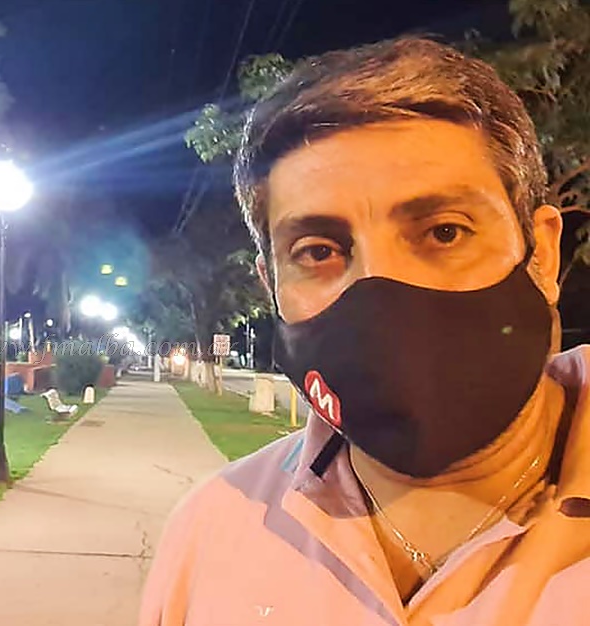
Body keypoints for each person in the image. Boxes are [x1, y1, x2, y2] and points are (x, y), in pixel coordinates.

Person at [140, 37, 590, 626]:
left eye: (445, 232)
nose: (382, 289)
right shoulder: (211, 532)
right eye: (318, 251)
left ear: (543, 255)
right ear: (270, 287)